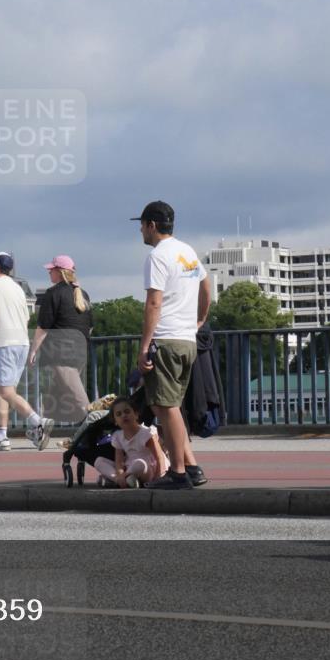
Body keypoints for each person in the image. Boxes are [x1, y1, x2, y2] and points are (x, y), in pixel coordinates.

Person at [132, 200, 211, 490]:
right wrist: (200, 319)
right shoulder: (186, 251)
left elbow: (154, 302)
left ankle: (177, 472)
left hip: (165, 339)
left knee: (167, 407)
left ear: (152, 225)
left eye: (142, 224)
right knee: (164, 404)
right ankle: (191, 466)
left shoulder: (158, 256)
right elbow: (205, 285)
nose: (140, 230)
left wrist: (144, 347)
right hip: (187, 340)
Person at [0, 251, 53, 452]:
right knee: (3, 389)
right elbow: (26, 317)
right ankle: (2, 436)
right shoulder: (17, 288)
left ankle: (37, 421)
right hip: (21, 342)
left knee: (6, 391)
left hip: (5, 343)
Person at [28, 255, 92, 425]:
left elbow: (43, 327)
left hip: (60, 353)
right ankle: (42, 427)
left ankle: (96, 425)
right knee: (53, 396)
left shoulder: (53, 293)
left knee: (79, 399)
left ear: (59, 272)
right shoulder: (83, 294)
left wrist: (33, 350)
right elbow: (90, 327)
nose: (49, 273)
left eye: (51, 270)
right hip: (80, 352)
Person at [94, 397, 168, 488]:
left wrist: (158, 478)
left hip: (148, 468)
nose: (123, 416)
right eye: (119, 414)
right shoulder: (118, 436)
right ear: (115, 421)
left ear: (136, 414)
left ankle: (118, 480)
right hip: (129, 467)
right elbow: (119, 461)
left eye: (127, 412)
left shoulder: (146, 433)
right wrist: (120, 474)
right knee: (99, 461)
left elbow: (159, 457)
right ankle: (123, 480)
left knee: (139, 464)